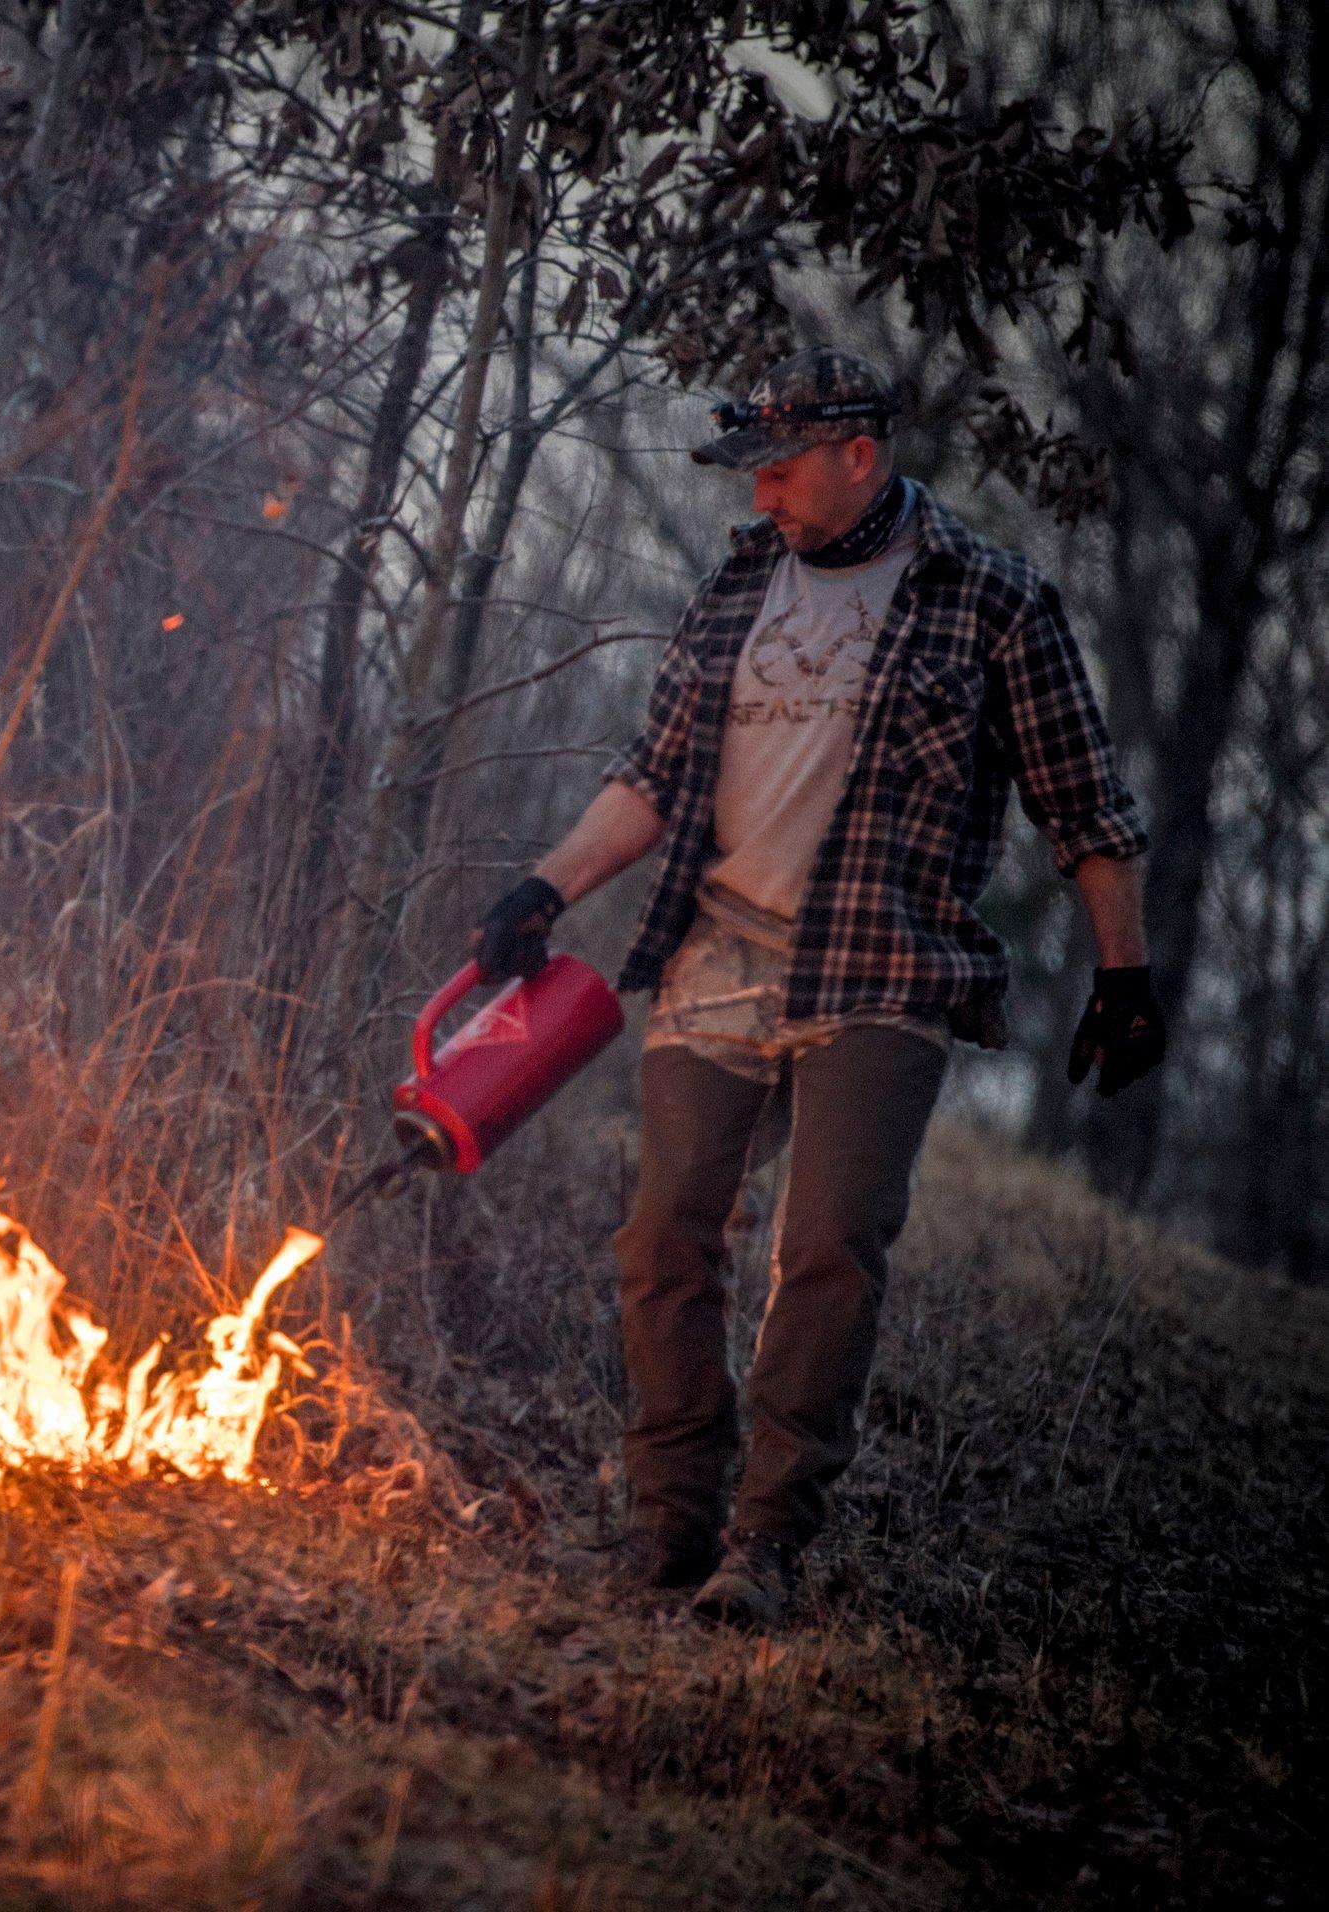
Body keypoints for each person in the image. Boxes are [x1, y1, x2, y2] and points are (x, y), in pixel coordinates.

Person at [470, 348, 1168, 1629]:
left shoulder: (993, 601)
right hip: (717, 955)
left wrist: (1124, 980)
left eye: (781, 473)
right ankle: (669, 1525)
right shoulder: (740, 584)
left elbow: (1089, 808)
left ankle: (767, 1544)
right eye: (752, 477)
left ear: (862, 454)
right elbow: (651, 773)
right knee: (665, 1235)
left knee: (828, 1247)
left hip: (883, 965)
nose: (760, 501)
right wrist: (543, 889)